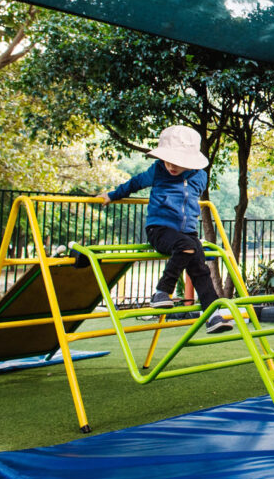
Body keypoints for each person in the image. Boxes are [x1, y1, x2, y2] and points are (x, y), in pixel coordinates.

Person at [97, 125, 232, 334]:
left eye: (177, 162)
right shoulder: (158, 171)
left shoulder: (200, 177)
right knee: (187, 246)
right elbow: (135, 183)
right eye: (168, 160)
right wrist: (112, 195)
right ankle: (162, 291)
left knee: (200, 268)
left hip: (187, 232)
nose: (171, 166)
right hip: (159, 229)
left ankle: (213, 314)